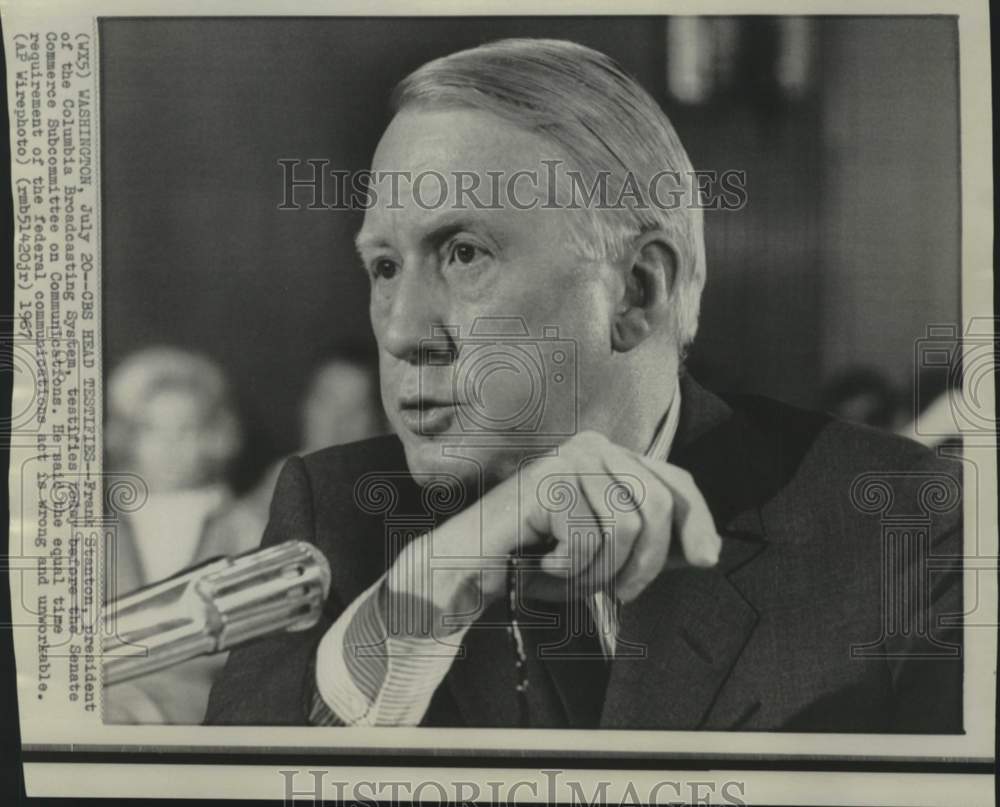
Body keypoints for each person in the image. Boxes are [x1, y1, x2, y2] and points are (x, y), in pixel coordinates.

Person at [206, 39, 962, 732]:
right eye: (384, 267)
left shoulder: (898, 526)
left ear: (636, 292)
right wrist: (424, 595)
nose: (402, 331)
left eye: (464, 253)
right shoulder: (336, 521)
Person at [103, 346, 252, 724]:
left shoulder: (238, 523)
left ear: (214, 436)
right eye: (153, 430)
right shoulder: (100, 522)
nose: (169, 446)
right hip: (111, 699)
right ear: (127, 437)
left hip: (200, 706)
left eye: (186, 431)